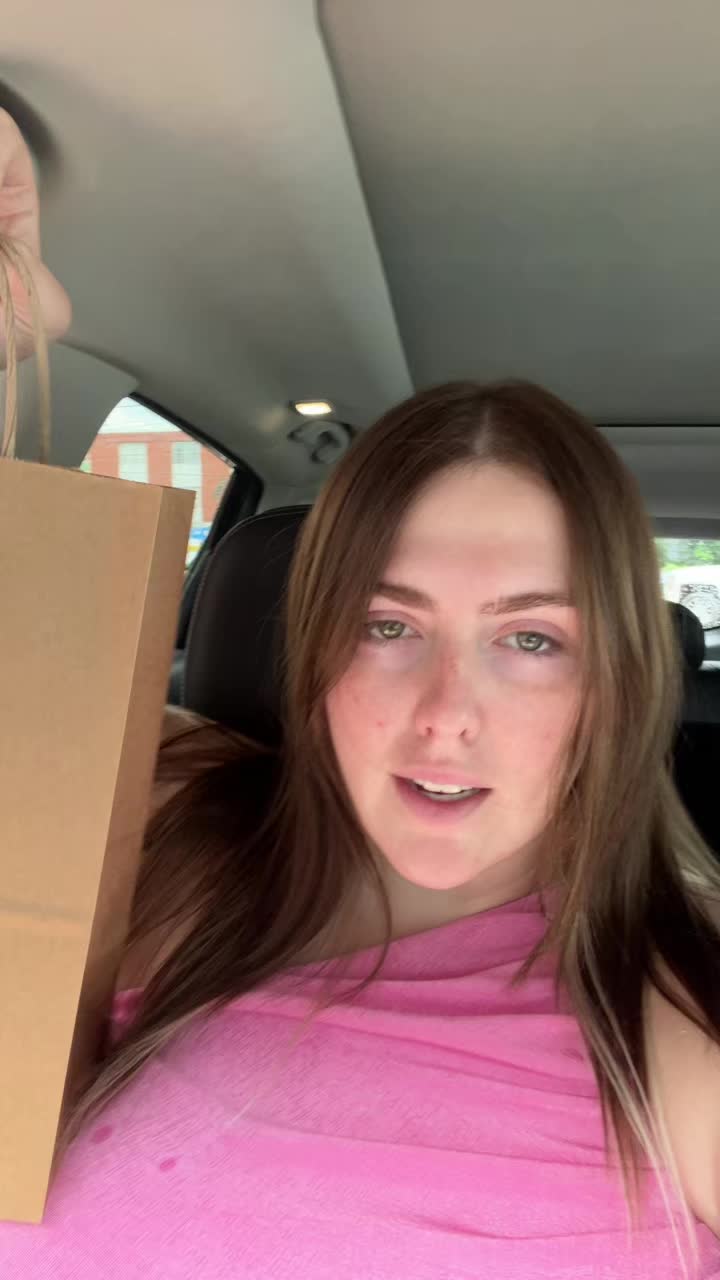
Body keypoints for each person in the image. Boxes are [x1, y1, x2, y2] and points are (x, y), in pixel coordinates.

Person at [1, 107, 719, 1280]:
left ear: (619, 689)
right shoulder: (165, 820)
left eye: (531, 639)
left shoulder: (671, 1008)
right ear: (316, 648)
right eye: (390, 625)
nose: (447, 709)